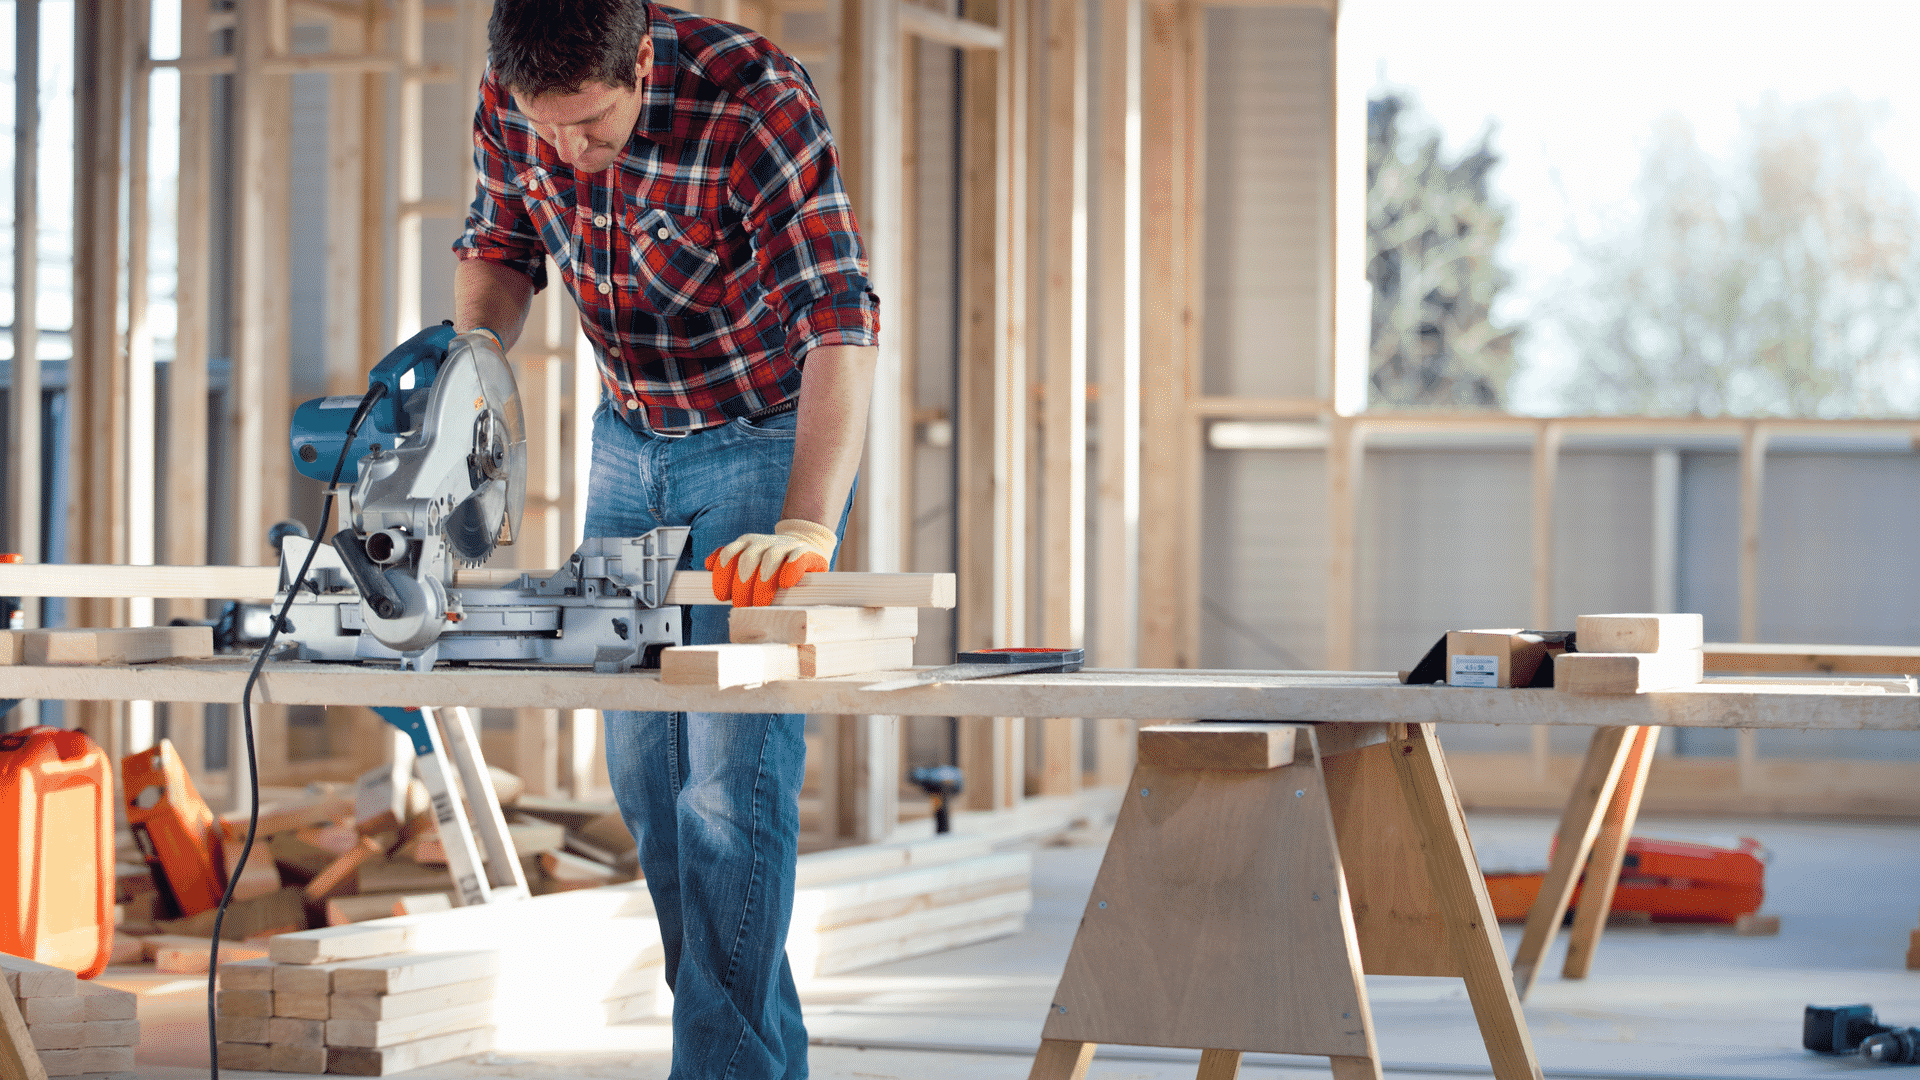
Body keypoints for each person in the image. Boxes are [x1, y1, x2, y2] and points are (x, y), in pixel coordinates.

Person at [450, 1, 880, 1073]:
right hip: (627, 437)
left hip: (763, 436)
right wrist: (470, 362)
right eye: (548, 130)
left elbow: (839, 318)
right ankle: (748, 1058)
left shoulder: (755, 100)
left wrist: (807, 521)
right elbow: (503, 250)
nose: (569, 152)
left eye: (592, 127)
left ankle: (722, 1066)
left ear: (642, 62)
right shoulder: (524, 97)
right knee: (646, 774)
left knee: (729, 788)